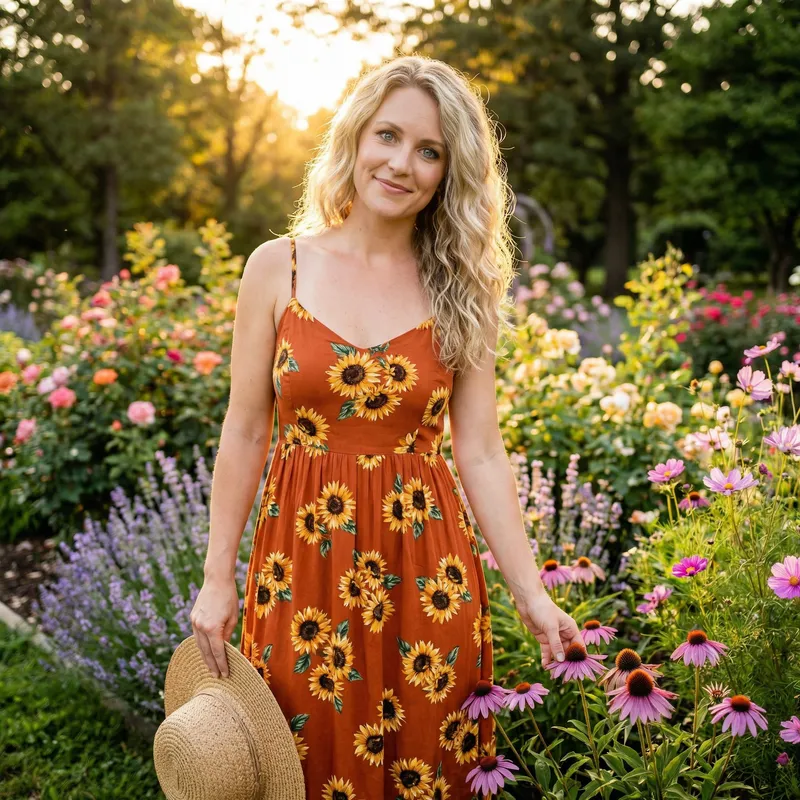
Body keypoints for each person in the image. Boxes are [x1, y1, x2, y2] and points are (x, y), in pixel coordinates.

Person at [190, 54, 581, 798]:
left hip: (426, 577)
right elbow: (243, 430)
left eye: (429, 150)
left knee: (424, 768)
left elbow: (484, 452)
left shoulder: (464, 288)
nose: (403, 163)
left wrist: (533, 595)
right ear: (356, 138)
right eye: (389, 136)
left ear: (448, 171)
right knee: (296, 766)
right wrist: (217, 577)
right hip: (297, 572)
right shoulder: (280, 267)